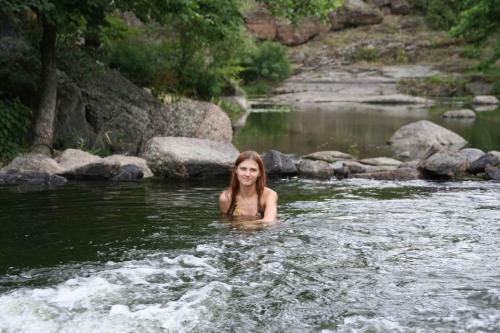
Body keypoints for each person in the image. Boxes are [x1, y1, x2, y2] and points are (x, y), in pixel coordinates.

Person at [219, 151, 278, 224]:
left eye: (253, 170)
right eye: (243, 169)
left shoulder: (269, 195)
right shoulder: (226, 198)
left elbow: (270, 222)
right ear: (236, 170)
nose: (247, 174)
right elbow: (226, 224)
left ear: (259, 173)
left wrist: (243, 224)